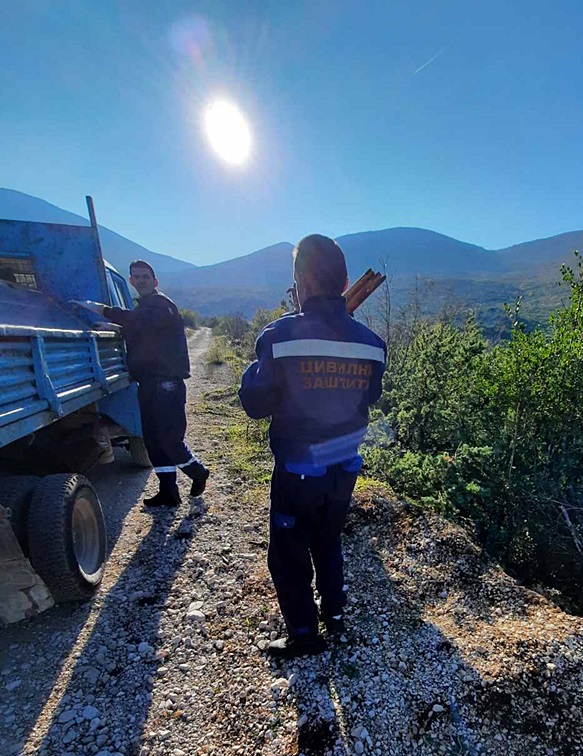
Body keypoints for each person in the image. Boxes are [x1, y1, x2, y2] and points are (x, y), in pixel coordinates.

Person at [238, 234, 387, 658]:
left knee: (288, 551)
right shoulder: (372, 345)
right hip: (345, 468)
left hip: (298, 472)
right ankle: (334, 613)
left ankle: (304, 633)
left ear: (301, 282)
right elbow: (371, 396)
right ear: (345, 284)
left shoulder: (280, 336)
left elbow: (255, 403)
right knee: (328, 538)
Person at [72, 260, 209, 507]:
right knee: (153, 440)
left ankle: (197, 471)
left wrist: (104, 310)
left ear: (155, 281)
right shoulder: (146, 307)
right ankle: (168, 491)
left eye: (146, 277)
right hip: (148, 383)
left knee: (169, 439)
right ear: (131, 281)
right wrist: (115, 328)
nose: (142, 280)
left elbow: (142, 322)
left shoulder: (161, 305)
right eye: (137, 277)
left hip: (166, 383)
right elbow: (143, 332)